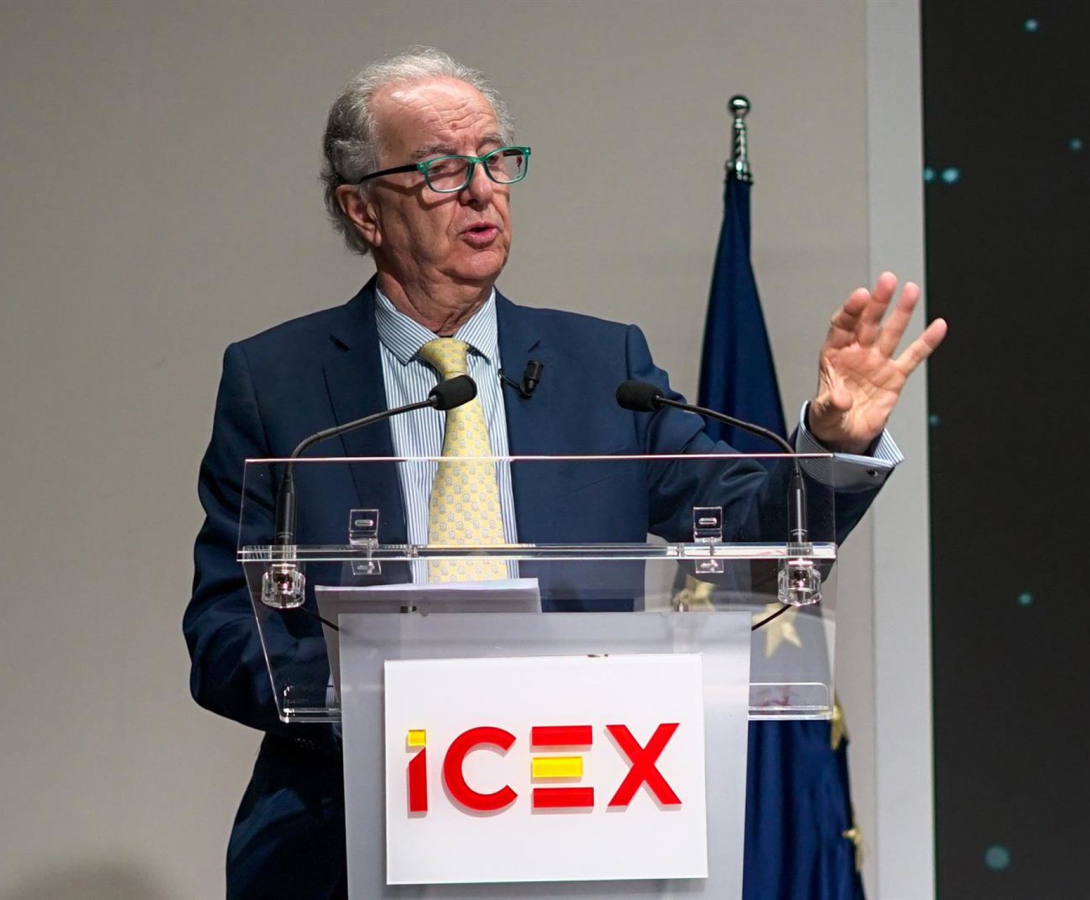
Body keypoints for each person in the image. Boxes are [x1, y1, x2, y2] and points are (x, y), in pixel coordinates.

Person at [185, 47, 945, 900]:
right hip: (343, 828)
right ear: (362, 209)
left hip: (580, 812)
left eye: (495, 160)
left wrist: (831, 441)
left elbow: (752, 523)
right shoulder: (278, 383)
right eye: (441, 171)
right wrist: (370, 701)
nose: (482, 191)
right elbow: (223, 629)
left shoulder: (602, 366)